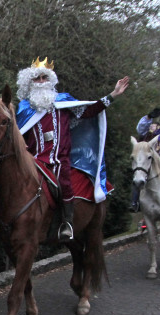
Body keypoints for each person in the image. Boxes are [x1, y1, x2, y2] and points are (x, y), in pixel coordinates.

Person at [16, 58, 129, 241]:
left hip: (60, 160)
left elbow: (89, 111)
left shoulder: (63, 102)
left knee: (64, 183)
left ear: (51, 81)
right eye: (37, 78)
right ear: (30, 82)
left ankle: (66, 222)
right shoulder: (23, 109)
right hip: (34, 161)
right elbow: (19, 137)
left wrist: (113, 95)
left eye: (45, 77)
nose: (42, 81)